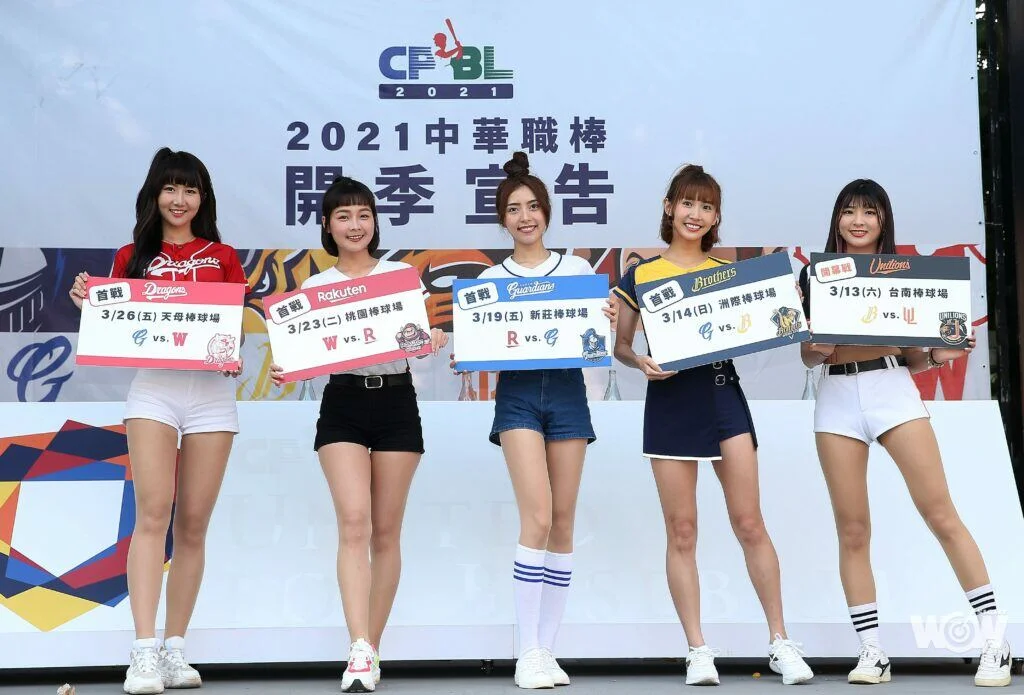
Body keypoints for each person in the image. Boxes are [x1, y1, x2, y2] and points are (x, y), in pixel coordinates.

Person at [799, 178, 1011, 687]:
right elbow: (808, 356)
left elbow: (915, 356)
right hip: (836, 398)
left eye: (869, 212)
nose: (858, 221)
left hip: (892, 390)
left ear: (883, 221)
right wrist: (818, 344)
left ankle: (995, 642)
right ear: (837, 219)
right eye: (849, 211)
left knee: (941, 513)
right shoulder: (815, 275)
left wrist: (942, 352)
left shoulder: (903, 273)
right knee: (852, 529)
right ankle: (872, 652)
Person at [612, 164, 814, 686]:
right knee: (682, 530)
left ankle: (780, 641)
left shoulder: (730, 273)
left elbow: (768, 322)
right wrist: (640, 362)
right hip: (670, 401)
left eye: (706, 206)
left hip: (723, 396)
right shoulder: (642, 274)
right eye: (687, 203)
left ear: (716, 216)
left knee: (750, 523)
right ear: (669, 207)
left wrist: (787, 310)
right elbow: (622, 346)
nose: (695, 214)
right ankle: (697, 649)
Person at [69, 148, 247, 694]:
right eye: (171, 188)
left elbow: (233, 332)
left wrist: (229, 349)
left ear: (203, 199)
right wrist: (89, 305)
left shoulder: (223, 256)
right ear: (154, 194)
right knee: (153, 515)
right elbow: (114, 326)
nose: (180, 199)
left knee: (192, 525)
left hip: (212, 397)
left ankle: (174, 649)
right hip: (154, 393)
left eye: (190, 189)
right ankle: (143, 651)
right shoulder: (131, 256)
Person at [269, 176, 447, 693]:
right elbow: (299, 354)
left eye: (364, 215)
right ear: (327, 225)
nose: (355, 225)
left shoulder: (400, 277)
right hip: (342, 404)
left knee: (386, 532)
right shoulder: (315, 289)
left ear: (375, 222)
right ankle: (359, 646)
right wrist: (286, 368)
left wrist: (431, 337)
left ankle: (373, 647)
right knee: (353, 522)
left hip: (396, 401)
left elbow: (416, 338)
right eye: (343, 216)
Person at [452, 151, 617, 689]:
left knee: (563, 521)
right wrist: (466, 349)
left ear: (547, 212)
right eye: (514, 209)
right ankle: (527, 650)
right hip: (518, 397)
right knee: (538, 517)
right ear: (502, 220)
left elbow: (597, 340)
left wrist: (609, 319)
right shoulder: (489, 279)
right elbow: (475, 344)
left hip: (568, 394)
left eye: (533, 207)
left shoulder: (577, 271)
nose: (525, 217)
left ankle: (548, 649)